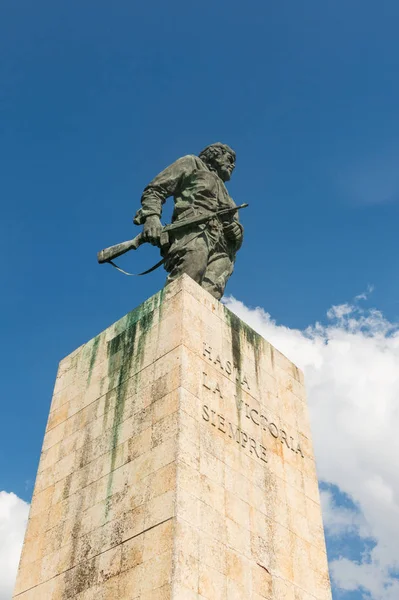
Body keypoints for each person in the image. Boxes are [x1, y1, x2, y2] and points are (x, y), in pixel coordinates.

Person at [133, 143, 244, 299]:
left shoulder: (230, 199)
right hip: (194, 232)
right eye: (230, 158)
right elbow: (155, 189)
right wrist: (152, 217)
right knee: (188, 280)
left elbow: (236, 227)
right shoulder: (192, 163)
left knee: (211, 296)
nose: (232, 165)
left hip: (222, 249)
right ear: (215, 154)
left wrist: (237, 233)